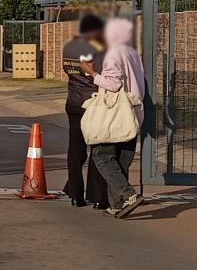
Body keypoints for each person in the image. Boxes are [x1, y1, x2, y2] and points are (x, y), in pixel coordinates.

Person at [79, 16, 148, 219]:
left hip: (115, 115)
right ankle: (118, 204)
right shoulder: (133, 52)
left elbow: (113, 84)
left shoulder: (113, 55)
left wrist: (91, 73)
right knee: (121, 162)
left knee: (102, 156)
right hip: (134, 113)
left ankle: (128, 195)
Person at [61, 14, 109, 210]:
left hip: (73, 102)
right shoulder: (99, 49)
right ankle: (97, 195)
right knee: (98, 148)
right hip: (93, 103)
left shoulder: (69, 47)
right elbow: (100, 74)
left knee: (75, 149)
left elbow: (68, 71)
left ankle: (75, 192)